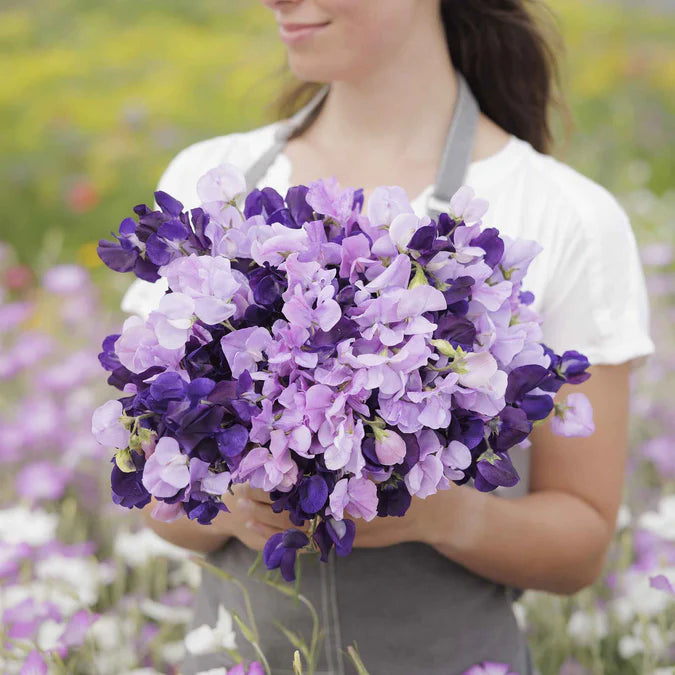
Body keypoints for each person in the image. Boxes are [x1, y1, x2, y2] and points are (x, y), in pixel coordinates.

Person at [122, 1, 655, 673]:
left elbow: (579, 545)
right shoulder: (215, 180)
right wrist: (233, 504)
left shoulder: (562, 213)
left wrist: (442, 516)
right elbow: (151, 499)